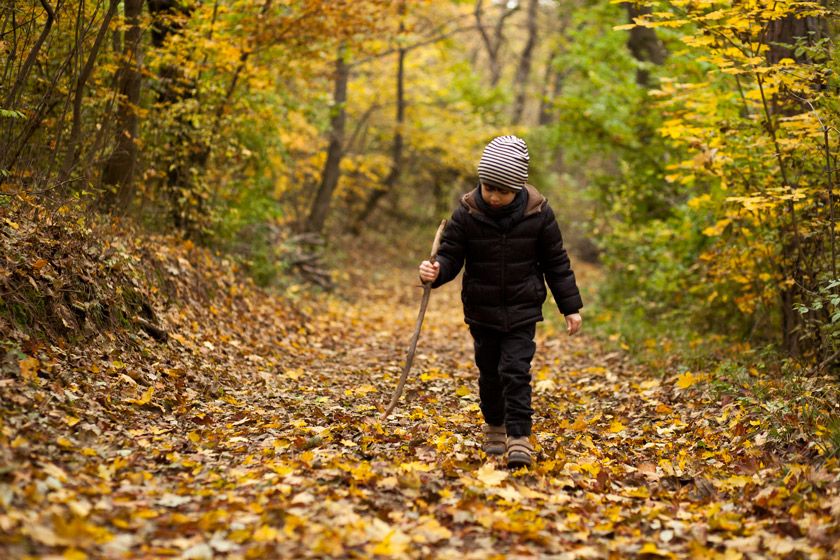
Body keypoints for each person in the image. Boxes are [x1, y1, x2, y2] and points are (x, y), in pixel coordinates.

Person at [418, 135, 583, 469]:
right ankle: (495, 426)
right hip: (481, 309)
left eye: (502, 191)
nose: (493, 197)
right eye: (487, 187)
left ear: (518, 188)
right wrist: (434, 272)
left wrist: (570, 306)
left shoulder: (539, 214)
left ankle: (519, 436)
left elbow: (556, 262)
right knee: (490, 373)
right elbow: (451, 256)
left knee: (515, 371)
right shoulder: (467, 214)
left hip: (523, 309)